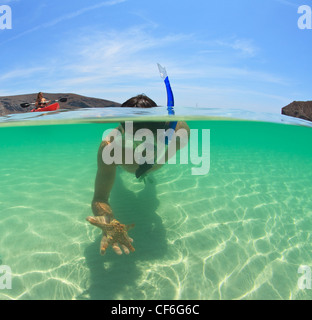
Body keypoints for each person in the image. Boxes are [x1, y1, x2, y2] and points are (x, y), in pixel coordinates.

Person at [86, 94, 190, 255]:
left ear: (162, 129)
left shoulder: (180, 133)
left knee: (150, 192)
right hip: (126, 166)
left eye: (149, 139)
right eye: (133, 139)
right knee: (118, 185)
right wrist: (109, 222)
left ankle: (147, 177)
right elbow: (100, 198)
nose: (141, 147)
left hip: (152, 167)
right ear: (122, 130)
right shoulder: (110, 148)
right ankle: (127, 173)